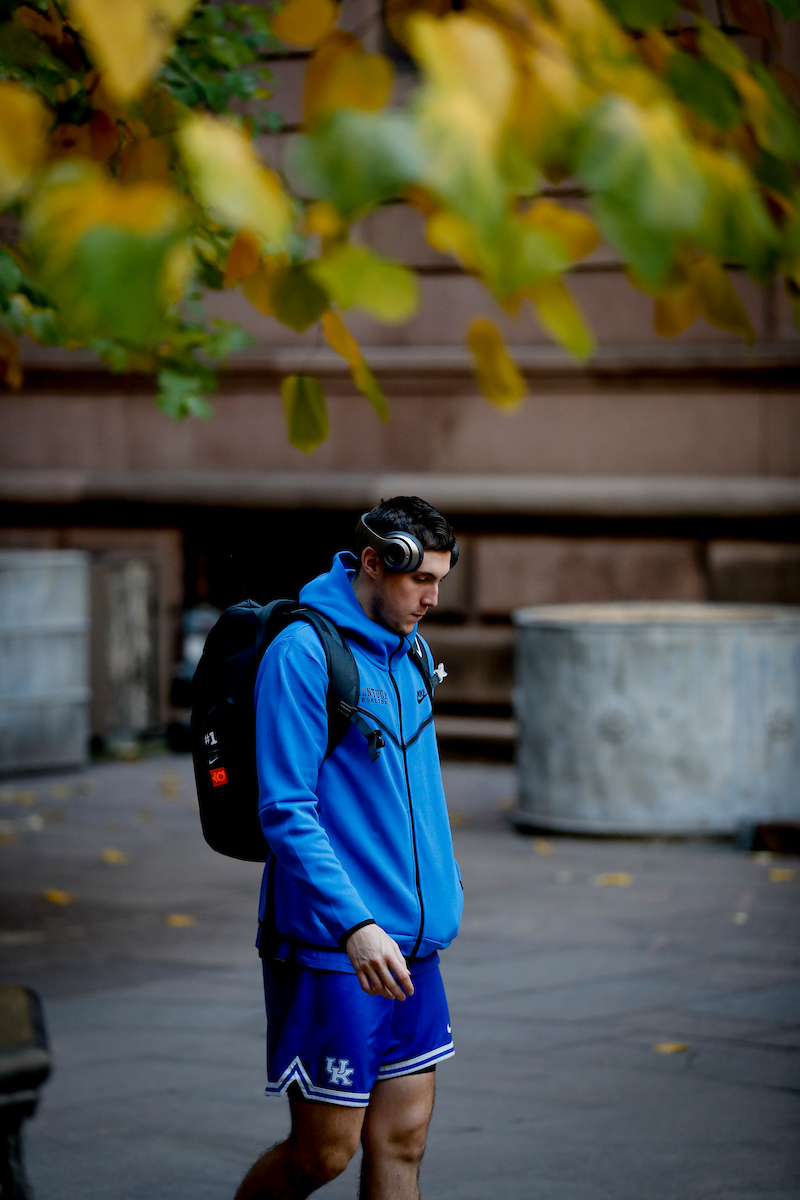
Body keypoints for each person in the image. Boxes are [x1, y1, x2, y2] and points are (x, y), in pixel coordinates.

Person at [235, 496, 463, 1200]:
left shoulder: (411, 646)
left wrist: (443, 890)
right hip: (336, 946)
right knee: (323, 1155)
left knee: (403, 1142)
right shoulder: (303, 652)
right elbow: (286, 809)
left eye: (439, 581)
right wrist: (355, 925)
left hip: (412, 945)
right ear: (373, 561)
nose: (430, 597)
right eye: (418, 579)